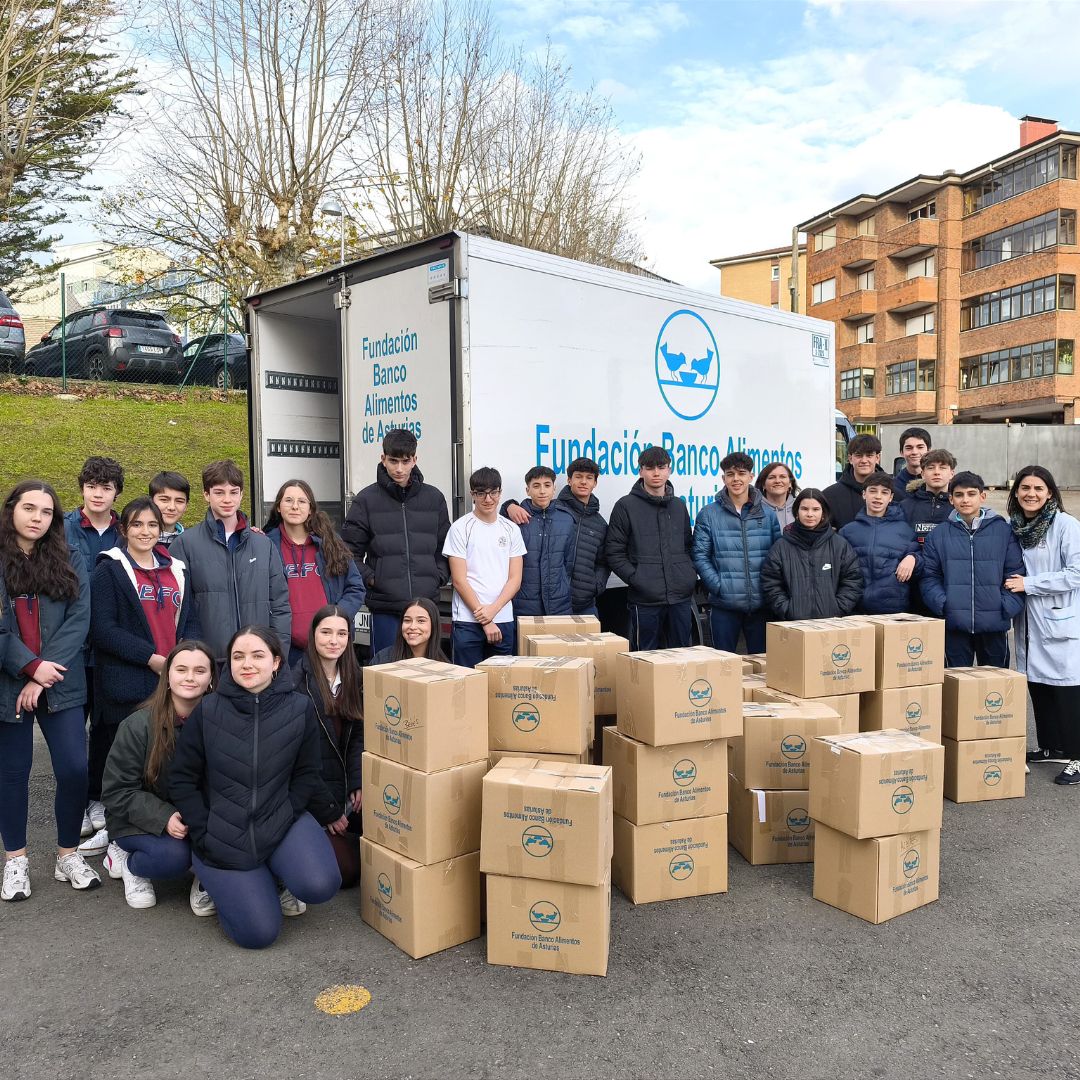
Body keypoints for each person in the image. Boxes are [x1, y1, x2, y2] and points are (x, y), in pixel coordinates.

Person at [167, 626, 340, 948]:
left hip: (279, 817)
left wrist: (288, 811)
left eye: (257, 655)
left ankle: (274, 871)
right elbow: (182, 779)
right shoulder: (209, 710)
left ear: (276, 662)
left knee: (320, 885)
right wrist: (204, 831)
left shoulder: (300, 709)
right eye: (238, 656)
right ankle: (213, 881)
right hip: (222, 832)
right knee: (258, 934)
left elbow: (307, 773)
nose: (247, 663)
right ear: (228, 664)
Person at [0, 481, 97, 901]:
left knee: (75, 768)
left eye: (45, 511)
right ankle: (15, 860)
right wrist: (28, 666)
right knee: (12, 774)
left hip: (60, 680)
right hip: (8, 683)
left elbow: (79, 619)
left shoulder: (70, 557)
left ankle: (67, 854)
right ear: (12, 510)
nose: (37, 517)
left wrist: (42, 673)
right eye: (29, 508)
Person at [82, 497, 193, 858]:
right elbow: (102, 629)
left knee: (163, 763)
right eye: (137, 525)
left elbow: (188, 621)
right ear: (124, 529)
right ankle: (119, 839)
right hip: (128, 681)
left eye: (152, 525)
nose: (145, 532)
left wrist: (182, 661)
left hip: (172, 677)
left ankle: (153, 829)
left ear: (162, 529)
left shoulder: (176, 569)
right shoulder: (109, 570)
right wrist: (152, 659)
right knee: (127, 768)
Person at [99, 641, 215, 908]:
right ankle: (129, 862)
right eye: (181, 669)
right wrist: (163, 816)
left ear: (211, 679)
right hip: (137, 819)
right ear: (167, 675)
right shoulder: (138, 725)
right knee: (174, 858)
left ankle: (205, 876)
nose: (189, 677)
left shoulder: (221, 721)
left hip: (198, 815)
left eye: (199, 671)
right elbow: (116, 791)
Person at [341, 428, 451, 657]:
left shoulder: (434, 498)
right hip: (385, 609)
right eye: (393, 461)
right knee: (387, 678)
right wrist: (373, 579)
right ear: (383, 459)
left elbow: (444, 547)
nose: (399, 469)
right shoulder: (365, 500)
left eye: (405, 461)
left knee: (428, 677)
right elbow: (348, 552)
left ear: (415, 460)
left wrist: (437, 576)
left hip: (425, 608)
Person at [170, 460, 291, 663]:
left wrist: (278, 653)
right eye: (219, 492)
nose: (227, 499)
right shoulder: (184, 544)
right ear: (206, 495)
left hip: (257, 660)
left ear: (242, 494)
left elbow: (279, 604)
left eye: (233, 492)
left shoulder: (264, 545)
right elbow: (179, 611)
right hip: (208, 662)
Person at [1003, 466, 1080, 784]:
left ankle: (1077, 756)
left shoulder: (1066, 525)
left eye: (1037, 488)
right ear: (1015, 492)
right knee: (1039, 686)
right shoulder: (1016, 527)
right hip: (1029, 623)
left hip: (1058, 620)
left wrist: (1031, 584)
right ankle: (1052, 746)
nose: (1030, 493)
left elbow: (1076, 573)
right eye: (1024, 487)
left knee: (1066, 691)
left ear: (1050, 492)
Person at [64, 455, 124, 840]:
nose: (98, 493)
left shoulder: (126, 529)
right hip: (71, 648)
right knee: (73, 730)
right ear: (82, 488)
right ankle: (78, 801)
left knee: (105, 729)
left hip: (110, 649)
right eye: (92, 486)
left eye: (105, 487)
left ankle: (96, 798)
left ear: (116, 492)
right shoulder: (63, 527)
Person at [919, 471, 1025, 667]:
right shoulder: (939, 535)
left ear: (982, 496)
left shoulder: (1003, 532)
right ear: (951, 499)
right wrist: (944, 604)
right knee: (957, 689)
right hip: (955, 625)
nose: (965, 500)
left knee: (995, 688)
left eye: (971, 494)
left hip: (994, 626)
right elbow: (929, 577)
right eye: (959, 495)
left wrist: (1005, 607)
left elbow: (1015, 573)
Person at [293, 606, 364, 886]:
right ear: (313, 635)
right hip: (313, 795)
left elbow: (359, 734)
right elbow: (299, 760)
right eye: (326, 632)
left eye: (341, 633)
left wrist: (358, 782)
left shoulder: (355, 678)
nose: (334, 640)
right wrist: (328, 810)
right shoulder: (296, 683)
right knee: (347, 873)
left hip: (345, 785)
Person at [264, 478, 365, 664]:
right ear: (278, 507)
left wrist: (336, 619)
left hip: (331, 647)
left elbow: (356, 588)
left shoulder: (331, 543)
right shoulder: (265, 546)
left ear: (310, 509)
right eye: (288, 500)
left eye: (302, 501)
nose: (295, 506)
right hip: (288, 651)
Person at [606, 446, 697, 650]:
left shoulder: (678, 505)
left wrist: (688, 575)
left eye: (661, 467)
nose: (656, 473)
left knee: (684, 656)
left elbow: (688, 546)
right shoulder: (625, 505)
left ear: (669, 470)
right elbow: (614, 552)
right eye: (649, 468)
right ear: (640, 471)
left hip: (680, 597)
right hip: (644, 599)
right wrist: (638, 579)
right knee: (645, 657)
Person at [693, 452, 780, 653]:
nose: (736, 479)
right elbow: (699, 555)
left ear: (751, 477)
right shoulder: (709, 514)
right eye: (730, 474)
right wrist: (718, 586)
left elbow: (777, 555)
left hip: (761, 604)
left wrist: (769, 588)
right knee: (723, 666)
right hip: (724, 605)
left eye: (741, 473)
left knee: (762, 666)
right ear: (723, 479)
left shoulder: (767, 514)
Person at [443, 468, 526, 667]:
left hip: (503, 618)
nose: (488, 499)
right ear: (472, 495)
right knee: (467, 682)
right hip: (467, 620)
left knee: (501, 687)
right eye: (481, 493)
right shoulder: (460, 528)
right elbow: (459, 580)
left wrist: (494, 611)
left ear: (500, 492)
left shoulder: (511, 529)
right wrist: (485, 620)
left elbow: (515, 579)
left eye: (493, 492)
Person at [507, 458, 610, 618]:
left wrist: (596, 586)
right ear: (569, 480)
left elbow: (604, 561)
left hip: (583, 602)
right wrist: (509, 505)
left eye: (589, 478)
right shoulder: (555, 509)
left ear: (595, 483)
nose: (583, 482)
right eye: (578, 476)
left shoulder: (600, 523)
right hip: (548, 601)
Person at [761, 488, 863, 621]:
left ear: (824, 513)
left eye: (815, 509)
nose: (810, 514)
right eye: (804, 509)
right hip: (794, 625)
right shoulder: (781, 546)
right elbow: (770, 582)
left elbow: (853, 580)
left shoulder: (840, 545)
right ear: (796, 512)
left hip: (831, 623)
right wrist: (787, 609)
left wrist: (838, 608)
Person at [839, 473, 920, 615]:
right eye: (873, 491)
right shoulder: (847, 531)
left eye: (884, 492)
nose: (878, 496)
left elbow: (921, 561)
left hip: (894, 610)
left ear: (891, 498)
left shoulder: (905, 531)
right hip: (855, 609)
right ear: (864, 494)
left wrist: (913, 558)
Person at [502, 466, 574, 618]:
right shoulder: (516, 518)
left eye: (547, 485)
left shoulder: (566, 519)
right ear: (527, 490)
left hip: (559, 605)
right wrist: (509, 506)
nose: (542, 491)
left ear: (554, 489)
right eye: (536, 486)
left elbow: (569, 562)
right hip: (523, 605)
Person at [822, 434, 883, 529]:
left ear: (877, 458)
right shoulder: (829, 496)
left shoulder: (893, 493)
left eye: (869, 455)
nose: (864, 460)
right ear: (850, 459)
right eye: (858, 455)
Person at [369, 597, 449, 665]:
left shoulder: (444, 666)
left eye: (421, 621)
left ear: (434, 625)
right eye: (407, 620)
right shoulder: (383, 660)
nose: (412, 627)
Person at [902, 449, 956, 546]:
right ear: (922, 474)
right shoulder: (905, 506)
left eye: (942, 468)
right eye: (931, 468)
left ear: (952, 473)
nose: (936, 472)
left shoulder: (959, 507)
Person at [149, 471, 191, 548]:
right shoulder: (133, 539)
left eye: (179, 501)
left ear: (186, 506)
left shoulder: (192, 541)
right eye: (164, 500)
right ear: (151, 501)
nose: (172, 507)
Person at [754, 461, 800, 531]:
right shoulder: (754, 509)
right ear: (763, 484)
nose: (777, 481)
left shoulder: (800, 507)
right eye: (772, 477)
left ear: (790, 483)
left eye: (782, 477)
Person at [893, 427, 932, 501]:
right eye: (909, 448)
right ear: (901, 452)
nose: (914, 452)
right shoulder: (893, 486)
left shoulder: (937, 482)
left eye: (920, 447)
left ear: (929, 451)